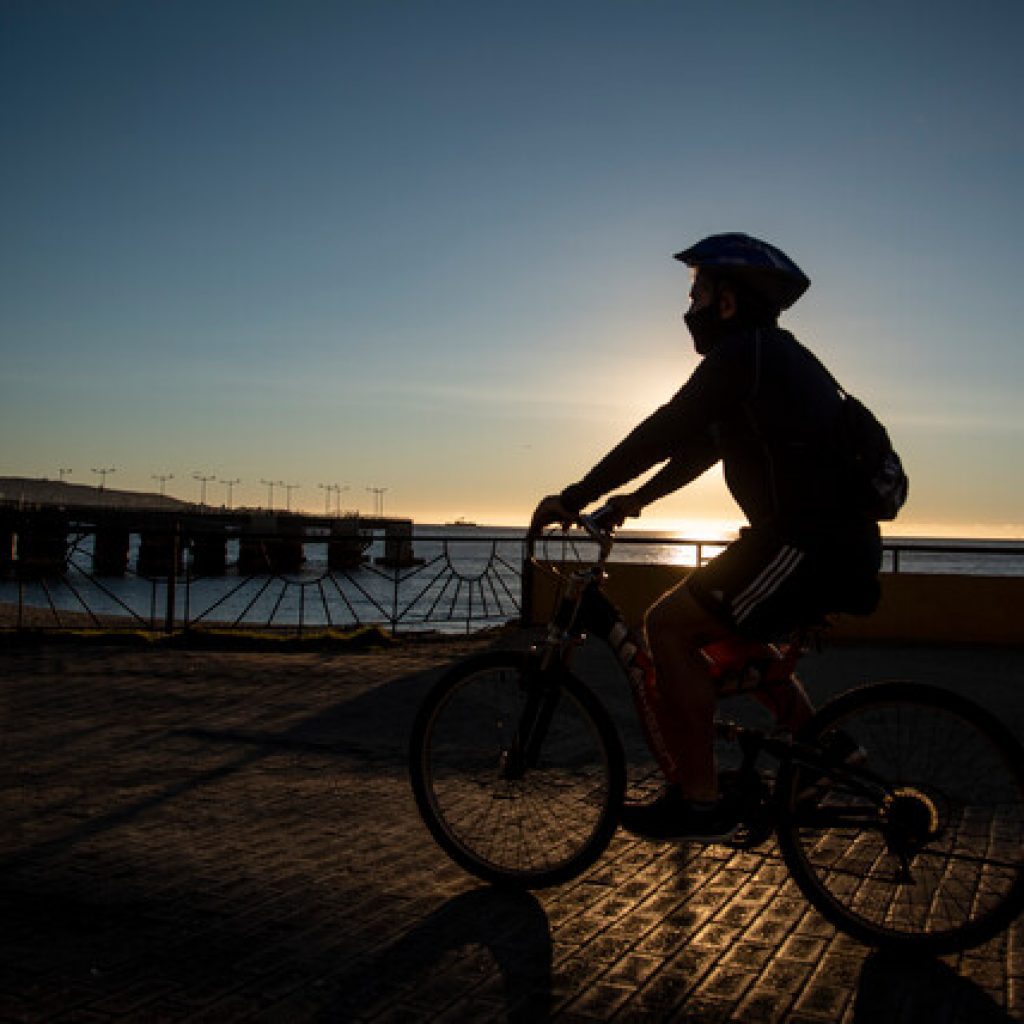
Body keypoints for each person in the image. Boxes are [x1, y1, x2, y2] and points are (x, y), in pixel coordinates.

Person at [529, 232, 883, 840]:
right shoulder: (771, 360)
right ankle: (829, 753)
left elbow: (666, 428)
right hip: (821, 542)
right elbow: (698, 449)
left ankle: (699, 802)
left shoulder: (742, 355)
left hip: (804, 543)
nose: (688, 306)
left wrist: (577, 495)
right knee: (730, 635)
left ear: (726, 300)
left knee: (668, 626)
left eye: (697, 291)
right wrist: (631, 502)